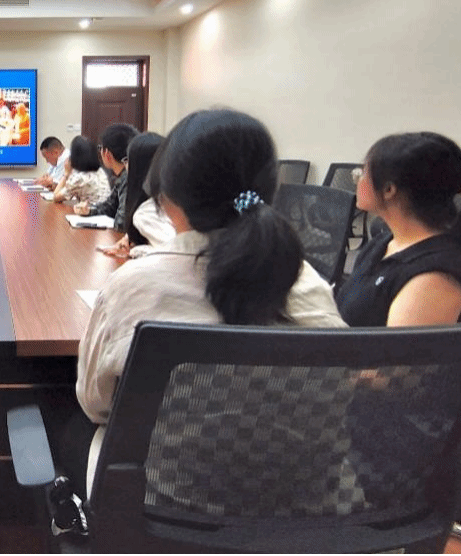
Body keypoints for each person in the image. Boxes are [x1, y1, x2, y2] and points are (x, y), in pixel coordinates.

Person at [73, 109, 345, 501]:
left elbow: (96, 404)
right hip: (301, 507)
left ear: (167, 198)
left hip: (163, 503)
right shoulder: (309, 284)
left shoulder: (133, 286)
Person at [334, 132, 461, 326]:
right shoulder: (383, 243)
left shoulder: (434, 278)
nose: (357, 180)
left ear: (389, 190)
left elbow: (399, 346)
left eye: (361, 174)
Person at [97, 131, 175, 259]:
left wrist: (136, 251)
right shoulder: (170, 199)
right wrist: (130, 237)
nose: (125, 166)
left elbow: (172, 254)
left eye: (127, 160)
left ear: (138, 167)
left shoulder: (146, 213)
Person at [73, 123, 139, 231]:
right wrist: (89, 211)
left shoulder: (129, 178)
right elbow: (110, 207)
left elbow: (122, 224)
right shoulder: (123, 176)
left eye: (100, 148)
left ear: (107, 153)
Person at [52, 135, 109, 206]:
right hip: (106, 211)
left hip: (93, 211)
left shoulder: (79, 178)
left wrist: (66, 174)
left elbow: (55, 197)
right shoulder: (101, 171)